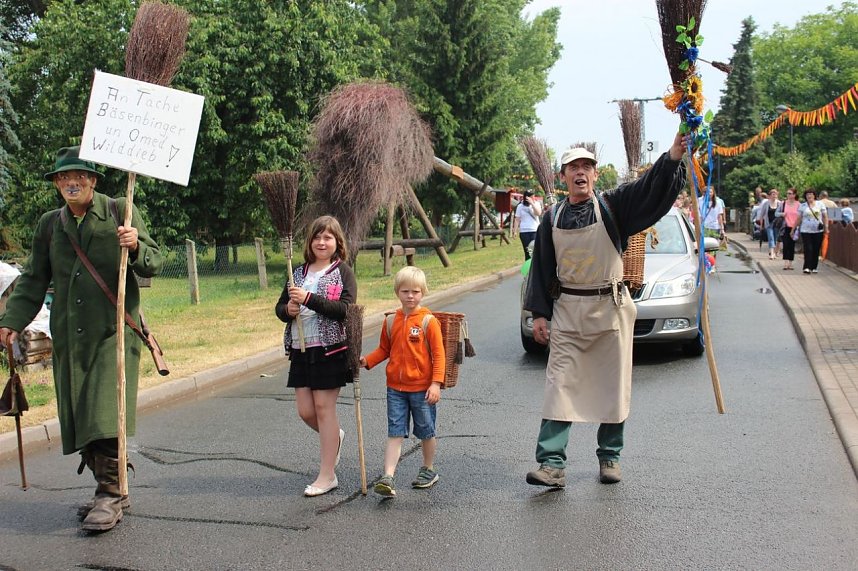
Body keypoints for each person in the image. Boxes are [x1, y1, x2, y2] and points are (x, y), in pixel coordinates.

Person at [0, 146, 163, 532]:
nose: (71, 183)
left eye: (79, 176)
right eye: (63, 178)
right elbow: (34, 278)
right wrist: (12, 320)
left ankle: (109, 495)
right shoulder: (50, 224)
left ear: (92, 180)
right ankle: (113, 487)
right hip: (70, 339)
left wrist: (136, 244)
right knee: (78, 414)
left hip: (113, 333)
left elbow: (155, 259)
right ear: (57, 183)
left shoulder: (118, 209)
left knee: (103, 412)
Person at [523, 131, 688, 488]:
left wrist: (673, 155)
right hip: (568, 311)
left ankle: (610, 457)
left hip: (610, 310)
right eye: (572, 167)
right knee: (559, 386)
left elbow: (649, 189)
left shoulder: (614, 206)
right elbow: (541, 268)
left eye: (586, 166)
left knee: (614, 387)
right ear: (562, 176)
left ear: (595, 175)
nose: (580, 172)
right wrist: (540, 314)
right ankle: (551, 464)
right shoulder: (550, 218)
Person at [275, 215, 357, 497]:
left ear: (337, 243)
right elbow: (279, 307)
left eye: (328, 238)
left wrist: (308, 300)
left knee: (324, 410)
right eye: (317, 237)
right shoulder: (297, 272)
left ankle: (327, 475)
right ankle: (334, 436)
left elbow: (345, 309)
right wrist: (289, 311)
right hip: (300, 349)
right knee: (306, 412)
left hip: (329, 349)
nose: (322, 242)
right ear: (310, 242)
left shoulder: (342, 271)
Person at [360, 266, 445, 498]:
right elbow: (384, 349)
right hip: (395, 389)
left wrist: (435, 383)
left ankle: (428, 469)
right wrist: (366, 361)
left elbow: (439, 355)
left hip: (422, 390)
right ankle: (388, 476)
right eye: (405, 291)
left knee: (426, 431)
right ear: (397, 291)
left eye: (415, 291)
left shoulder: (429, 322)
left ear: (423, 293)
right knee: (395, 431)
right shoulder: (390, 321)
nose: (410, 296)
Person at [796, 189, 828, 274]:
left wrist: (826, 227)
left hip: (818, 230)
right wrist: (794, 228)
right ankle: (806, 267)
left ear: (814, 195)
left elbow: (825, 216)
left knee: (816, 249)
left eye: (811, 194)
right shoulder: (803, 206)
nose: (809, 196)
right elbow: (799, 218)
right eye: (807, 195)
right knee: (808, 248)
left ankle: (814, 267)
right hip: (805, 230)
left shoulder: (820, 204)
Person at [512, 189, 543, 260]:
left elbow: (538, 213)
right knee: (527, 252)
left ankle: (536, 269)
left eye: (533, 196)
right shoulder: (520, 206)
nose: (533, 198)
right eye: (531, 197)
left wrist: (532, 204)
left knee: (534, 251)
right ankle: (529, 269)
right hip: (524, 232)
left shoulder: (536, 204)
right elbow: (517, 219)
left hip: (535, 230)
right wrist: (515, 231)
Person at [776, 188, 801, 270]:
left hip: (794, 227)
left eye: (790, 193)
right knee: (786, 244)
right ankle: (786, 263)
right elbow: (776, 213)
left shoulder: (798, 204)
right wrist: (782, 214)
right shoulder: (783, 203)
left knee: (792, 245)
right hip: (785, 226)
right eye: (788, 193)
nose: (789, 195)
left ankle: (790, 263)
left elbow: (801, 215)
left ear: (794, 195)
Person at [754, 188, 782, 260]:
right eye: (773, 194)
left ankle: (774, 252)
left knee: (775, 238)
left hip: (777, 224)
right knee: (771, 237)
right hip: (768, 223)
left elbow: (781, 213)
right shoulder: (766, 203)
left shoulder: (779, 203)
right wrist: (761, 225)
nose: (774, 196)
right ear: (769, 196)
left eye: (775, 194)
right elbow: (762, 214)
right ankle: (772, 253)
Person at [700, 186, 726, 253]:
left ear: (713, 193)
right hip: (704, 227)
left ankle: (712, 262)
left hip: (714, 227)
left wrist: (722, 229)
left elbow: (719, 216)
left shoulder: (718, 202)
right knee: (705, 248)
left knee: (713, 249)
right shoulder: (699, 201)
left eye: (710, 192)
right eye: (706, 192)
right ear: (704, 193)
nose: (709, 194)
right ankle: (706, 262)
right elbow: (698, 215)